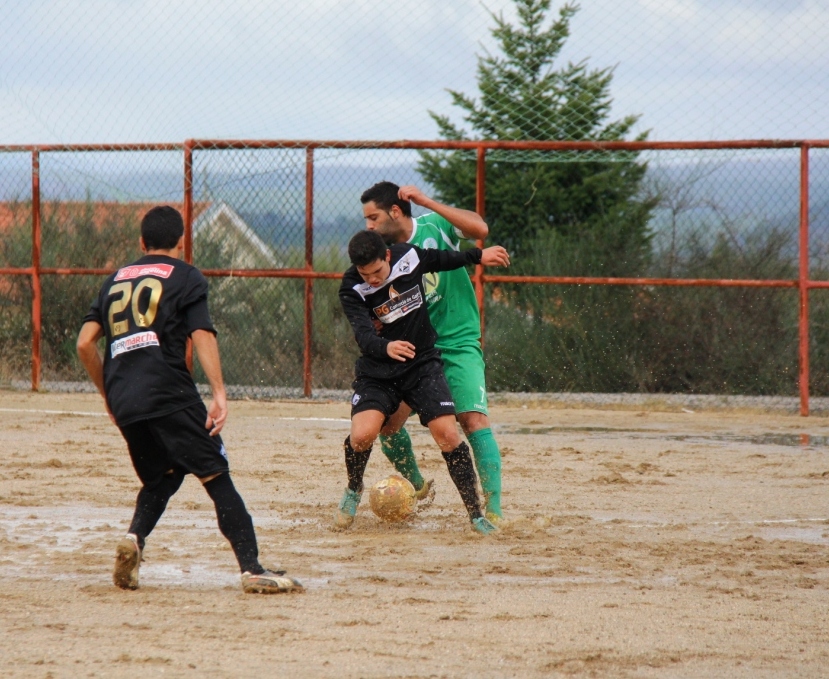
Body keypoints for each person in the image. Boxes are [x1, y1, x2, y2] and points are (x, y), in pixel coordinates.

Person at [76, 205, 303, 594]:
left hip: (127, 401)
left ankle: (133, 539)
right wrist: (218, 393)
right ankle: (251, 569)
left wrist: (110, 396)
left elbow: (84, 343)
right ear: (181, 242)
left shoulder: (115, 280)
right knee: (216, 474)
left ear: (141, 243)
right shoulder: (185, 276)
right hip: (169, 393)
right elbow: (202, 335)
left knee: (164, 475)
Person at [335, 229, 510, 535]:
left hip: (422, 366)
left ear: (387, 256)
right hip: (378, 371)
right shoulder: (352, 287)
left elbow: (443, 258)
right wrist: (385, 347)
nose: (373, 280)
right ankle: (353, 488)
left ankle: (476, 515)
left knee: (447, 434)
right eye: (366, 274)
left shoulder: (409, 256)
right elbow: (362, 333)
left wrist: (479, 255)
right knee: (363, 436)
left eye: (377, 271)